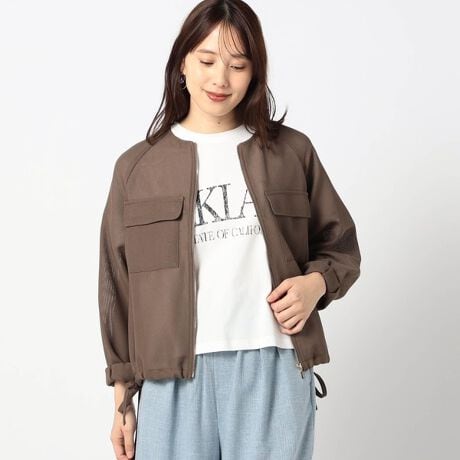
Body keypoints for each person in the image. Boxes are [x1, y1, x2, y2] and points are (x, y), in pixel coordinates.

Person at [97, 1, 361, 459]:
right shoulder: (137, 168)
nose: (220, 79)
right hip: (170, 376)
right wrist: (123, 397)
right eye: (207, 61)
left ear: (255, 72)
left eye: (238, 65)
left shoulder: (290, 152)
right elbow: (117, 286)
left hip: (273, 363)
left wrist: (314, 285)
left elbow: (341, 247)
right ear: (182, 63)